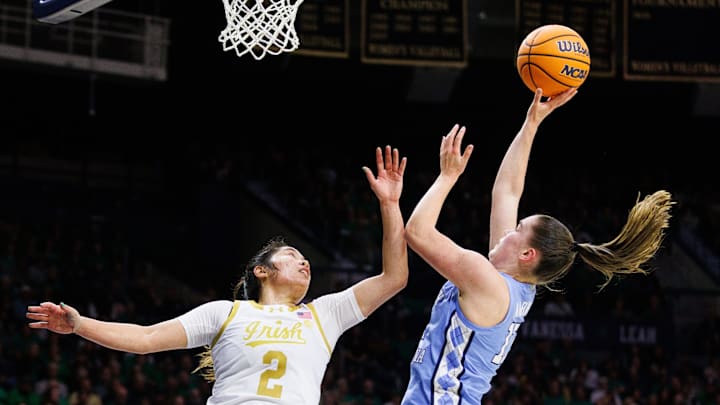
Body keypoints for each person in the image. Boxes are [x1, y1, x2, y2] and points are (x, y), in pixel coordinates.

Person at [27, 145, 409, 405]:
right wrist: (79, 324)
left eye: (306, 259)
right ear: (261, 270)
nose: (304, 262)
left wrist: (390, 205)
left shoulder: (325, 313)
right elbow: (145, 339)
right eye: (292, 255)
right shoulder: (225, 313)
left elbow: (394, 278)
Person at [401, 88, 674, 404]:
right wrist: (531, 123)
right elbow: (507, 193)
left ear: (527, 254)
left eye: (517, 229)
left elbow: (417, 232)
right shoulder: (514, 284)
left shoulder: (485, 280)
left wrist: (447, 177)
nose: (507, 232)